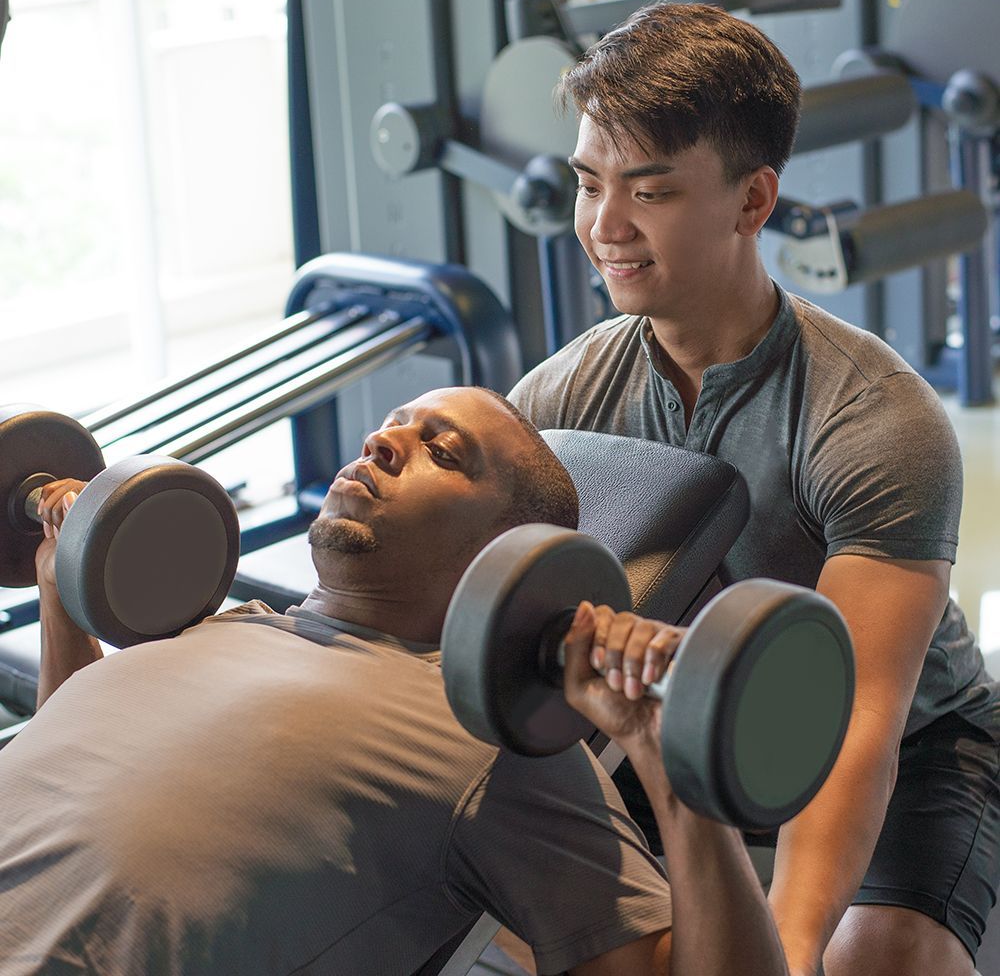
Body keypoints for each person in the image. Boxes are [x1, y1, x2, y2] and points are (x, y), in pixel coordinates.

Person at [508, 1, 1000, 976]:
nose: (604, 226)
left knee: (878, 960)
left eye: (647, 191)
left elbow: (855, 720)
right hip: (668, 720)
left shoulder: (872, 417)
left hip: (918, 741)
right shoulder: (561, 395)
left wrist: (790, 944)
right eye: (588, 183)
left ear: (752, 200)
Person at [0, 385, 791, 976]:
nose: (380, 444)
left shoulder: (494, 738)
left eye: (440, 452)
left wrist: (677, 774)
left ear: (508, 552)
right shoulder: (222, 624)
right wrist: (60, 595)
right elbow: (67, 770)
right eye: (391, 428)